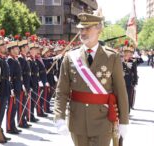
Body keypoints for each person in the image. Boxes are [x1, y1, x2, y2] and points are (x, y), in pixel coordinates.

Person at [54, 12, 129, 146]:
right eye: (81, 28)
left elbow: (120, 91)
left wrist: (124, 121)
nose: (83, 32)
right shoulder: (70, 57)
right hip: (77, 120)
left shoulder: (112, 57)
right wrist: (59, 117)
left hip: (103, 120)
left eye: (87, 28)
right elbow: (62, 91)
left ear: (99, 29)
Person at [6, 41, 23, 134]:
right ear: (11, 50)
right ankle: (9, 127)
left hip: (18, 87)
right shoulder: (10, 60)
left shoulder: (15, 59)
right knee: (11, 108)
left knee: (15, 108)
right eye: (16, 48)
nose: (18, 50)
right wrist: (11, 88)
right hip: (13, 88)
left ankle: (13, 126)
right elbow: (10, 76)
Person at [17, 40, 32, 128]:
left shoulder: (25, 57)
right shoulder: (20, 58)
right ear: (22, 48)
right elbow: (20, 73)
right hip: (22, 85)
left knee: (25, 103)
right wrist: (22, 84)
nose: (28, 48)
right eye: (26, 47)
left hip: (26, 84)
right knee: (21, 104)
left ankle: (24, 120)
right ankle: (21, 121)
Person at [122, 44, 138, 112]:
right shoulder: (120, 60)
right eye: (126, 52)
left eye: (130, 52)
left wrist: (135, 81)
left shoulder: (133, 61)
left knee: (128, 96)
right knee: (121, 97)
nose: (128, 54)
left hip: (129, 81)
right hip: (121, 81)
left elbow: (135, 72)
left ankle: (127, 111)